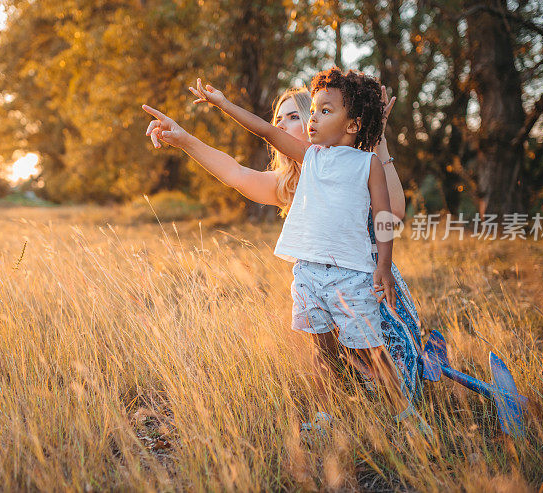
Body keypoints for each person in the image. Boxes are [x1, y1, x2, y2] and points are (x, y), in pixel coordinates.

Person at [141, 72, 427, 434]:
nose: (302, 122)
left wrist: (377, 139)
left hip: (364, 282)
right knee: (322, 352)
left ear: (349, 123)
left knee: (378, 361)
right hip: (313, 277)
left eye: (303, 114)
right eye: (287, 117)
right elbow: (245, 154)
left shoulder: (361, 163)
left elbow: (391, 214)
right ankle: (329, 415)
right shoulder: (300, 172)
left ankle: (406, 412)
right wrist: (204, 120)